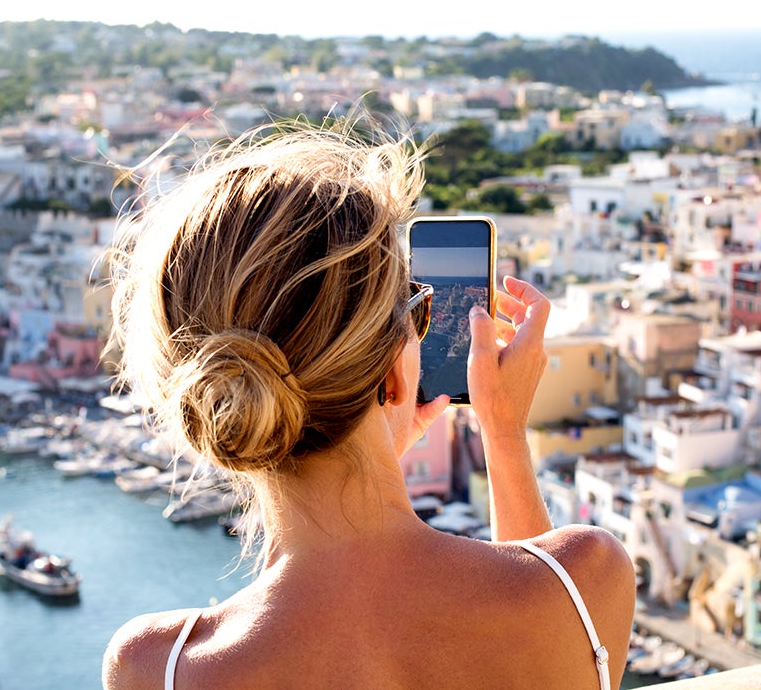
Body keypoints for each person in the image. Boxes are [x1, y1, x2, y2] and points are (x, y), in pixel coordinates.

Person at [102, 121, 635, 690]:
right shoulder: (588, 578)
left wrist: (371, 428)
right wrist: (502, 435)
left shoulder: (155, 667)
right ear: (391, 376)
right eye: (418, 315)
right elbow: (541, 598)